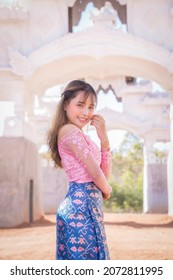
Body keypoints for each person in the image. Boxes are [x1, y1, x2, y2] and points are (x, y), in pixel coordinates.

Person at [47, 80, 112, 260]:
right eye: (80, 105)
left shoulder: (80, 134)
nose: (86, 112)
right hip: (79, 210)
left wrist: (104, 140)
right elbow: (96, 174)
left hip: (89, 207)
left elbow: (103, 174)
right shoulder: (69, 131)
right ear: (66, 105)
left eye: (91, 107)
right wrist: (107, 190)